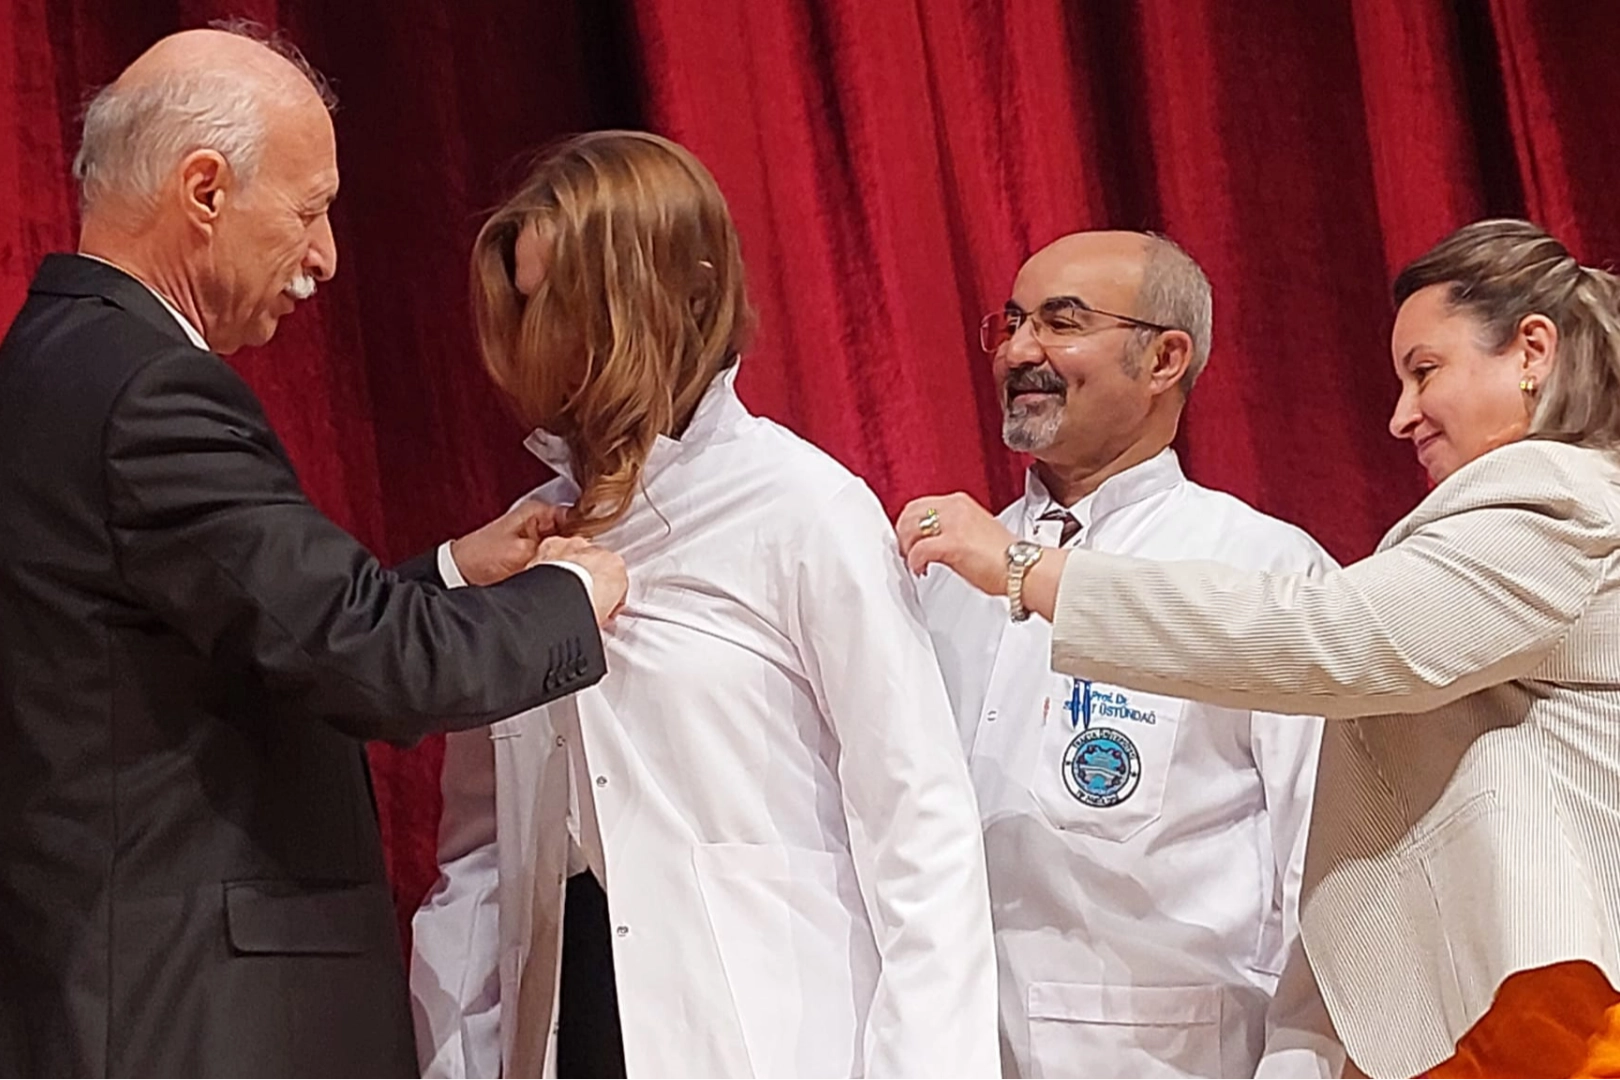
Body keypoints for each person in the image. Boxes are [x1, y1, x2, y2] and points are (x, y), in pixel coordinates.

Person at [0, 26, 625, 1080]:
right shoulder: (149, 393)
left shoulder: (50, 365)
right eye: (308, 210)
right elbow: (364, 661)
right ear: (205, 191)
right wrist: (570, 595)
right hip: (192, 1023)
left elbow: (240, 639)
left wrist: (450, 575)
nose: (326, 256)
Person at [897, 217, 1620, 1080]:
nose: (1400, 416)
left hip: (1551, 1022)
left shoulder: (1554, 504)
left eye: (1424, 371)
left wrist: (1024, 572)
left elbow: (1328, 642)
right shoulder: (943, 573)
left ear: (1532, 351)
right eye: (1013, 322)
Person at [409, 130, 999, 1080]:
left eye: (568, 303)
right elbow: (478, 859)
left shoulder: (803, 509)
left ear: (685, 291)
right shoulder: (519, 540)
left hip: (767, 1041)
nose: (539, 341)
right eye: (525, 304)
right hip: (566, 1033)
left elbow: (918, 825)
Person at [916, 231, 1339, 1080]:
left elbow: (1326, 875)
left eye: (1062, 322)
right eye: (1012, 322)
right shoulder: (944, 568)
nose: (1019, 351)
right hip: (954, 1048)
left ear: (1165, 359)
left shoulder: (1261, 569)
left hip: (1179, 1055)